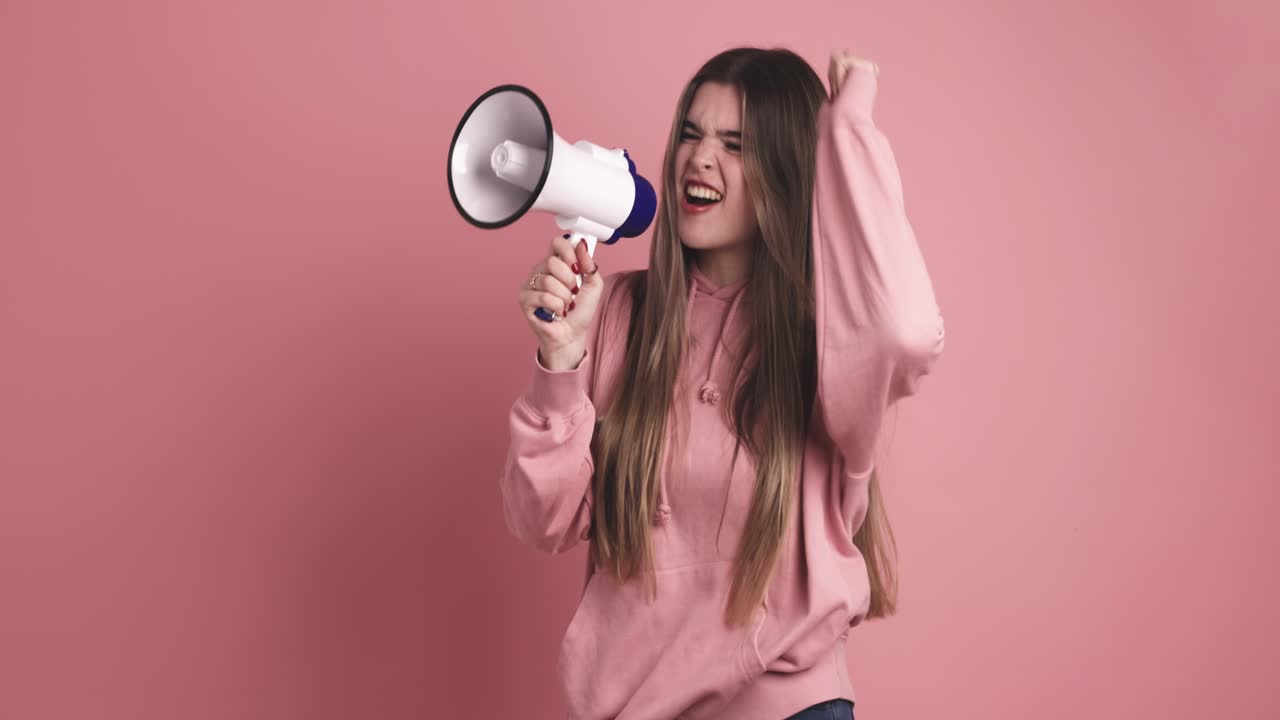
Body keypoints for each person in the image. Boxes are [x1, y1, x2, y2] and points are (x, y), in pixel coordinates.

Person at [502, 46, 945, 720]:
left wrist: (847, 126)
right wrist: (560, 363)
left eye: (735, 144)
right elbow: (543, 520)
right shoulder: (620, 311)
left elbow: (904, 330)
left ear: (790, 169)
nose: (699, 159)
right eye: (691, 133)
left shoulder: (826, 338)